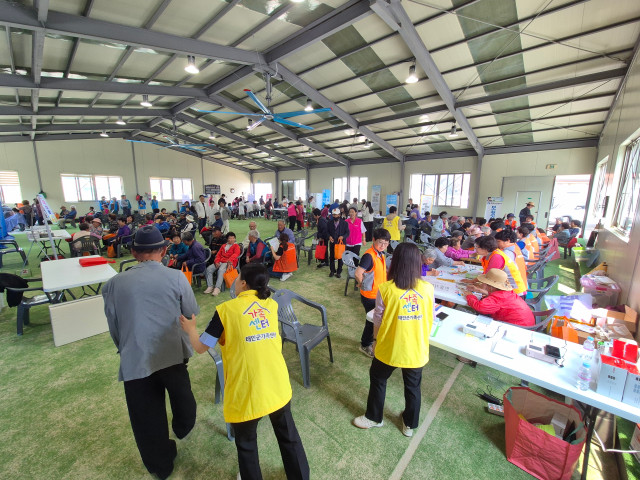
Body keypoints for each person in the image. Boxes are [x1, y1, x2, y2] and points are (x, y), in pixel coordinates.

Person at [179, 263, 309, 480]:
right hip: (277, 384)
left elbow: (201, 347)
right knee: (289, 437)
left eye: (238, 277)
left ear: (243, 283)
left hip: (247, 390)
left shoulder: (226, 311)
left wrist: (191, 329)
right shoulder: (271, 305)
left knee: (247, 445)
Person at [102, 225, 199, 479]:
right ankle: (182, 427)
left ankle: (161, 466)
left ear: (134, 253)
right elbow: (190, 312)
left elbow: (114, 326)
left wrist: (125, 348)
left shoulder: (113, 284)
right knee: (183, 398)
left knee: (146, 417)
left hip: (135, 357)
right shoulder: (176, 277)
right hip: (172, 352)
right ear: (164, 251)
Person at [352, 243, 435, 437]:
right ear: (418, 263)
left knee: (378, 378)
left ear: (395, 262)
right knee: (413, 387)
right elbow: (430, 317)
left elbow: (378, 320)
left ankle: (374, 417)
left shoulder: (386, 288)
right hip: (416, 348)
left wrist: (375, 340)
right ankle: (409, 424)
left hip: (390, 346)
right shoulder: (428, 288)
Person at [355, 228, 390, 358]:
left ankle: (372, 341)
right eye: (380, 242)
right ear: (374, 240)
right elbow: (358, 273)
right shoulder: (369, 256)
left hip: (379, 294)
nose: (383, 245)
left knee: (375, 319)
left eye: (386, 243)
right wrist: (361, 283)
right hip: (370, 295)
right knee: (372, 321)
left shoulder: (380, 254)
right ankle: (365, 344)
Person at [460, 269, 534, 327]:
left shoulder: (497, 298)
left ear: (490, 286)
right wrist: (479, 290)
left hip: (517, 328)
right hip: (526, 323)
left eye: (484, 282)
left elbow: (480, 307)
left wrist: (470, 296)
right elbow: (498, 297)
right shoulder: (506, 293)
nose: (482, 284)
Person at [205, 232, 240, 296]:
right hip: (220, 261)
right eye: (230, 238)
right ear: (227, 239)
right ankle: (210, 286)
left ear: (235, 239)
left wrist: (229, 260)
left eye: (233, 238)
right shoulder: (223, 246)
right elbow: (218, 254)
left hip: (229, 263)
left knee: (221, 270)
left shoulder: (236, 246)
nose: (231, 240)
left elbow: (236, 254)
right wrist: (216, 261)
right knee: (209, 269)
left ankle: (217, 288)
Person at [494, 230, 528, 295]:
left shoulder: (507, 253)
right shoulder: (515, 247)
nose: (497, 244)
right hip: (522, 285)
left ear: (507, 240)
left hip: (515, 290)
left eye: (498, 241)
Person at [327, 208, 349, 279]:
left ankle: (339, 271)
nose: (334, 216)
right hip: (333, 242)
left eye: (336, 215)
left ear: (339, 215)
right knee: (332, 257)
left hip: (341, 244)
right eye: (333, 215)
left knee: (340, 257)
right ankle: (332, 271)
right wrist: (329, 236)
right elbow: (327, 232)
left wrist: (343, 236)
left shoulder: (345, 223)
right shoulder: (329, 223)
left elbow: (347, 233)